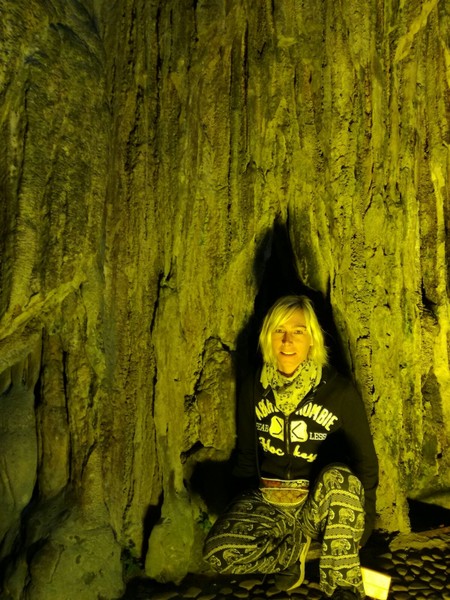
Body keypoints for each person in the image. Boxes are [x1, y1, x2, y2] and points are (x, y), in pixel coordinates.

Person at [203, 295, 379, 599]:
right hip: (271, 501)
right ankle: (292, 552)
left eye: (298, 331)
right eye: (279, 331)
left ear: (312, 339)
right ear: (267, 337)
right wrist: (238, 509)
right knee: (217, 553)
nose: (287, 341)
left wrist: (365, 520)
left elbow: (366, 461)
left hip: (317, 501)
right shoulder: (254, 386)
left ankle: (343, 588)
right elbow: (247, 455)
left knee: (340, 478)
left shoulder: (338, 391)